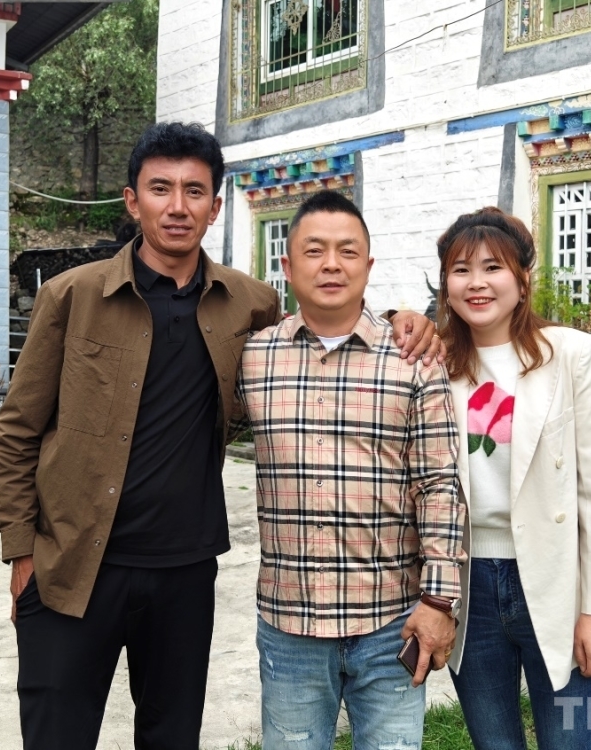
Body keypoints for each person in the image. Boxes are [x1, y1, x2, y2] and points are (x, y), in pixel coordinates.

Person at [0, 122, 443, 750]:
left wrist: (399, 319)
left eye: (194, 191)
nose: (178, 206)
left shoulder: (248, 303)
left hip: (184, 573)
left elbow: (319, 329)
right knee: (56, 737)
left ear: (215, 206)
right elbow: (16, 433)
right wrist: (21, 552)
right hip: (73, 565)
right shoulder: (72, 296)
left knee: (172, 737)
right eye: (161, 189)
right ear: (132, 200)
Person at [233, 190, 467, 750]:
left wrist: (438, 602)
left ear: (368, 264)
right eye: (314, 251)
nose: (331, 265)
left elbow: (439, 485)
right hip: (289, 625)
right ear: (287, 265)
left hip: (391, 622)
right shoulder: (253, 357)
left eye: (347, 251)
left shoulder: (413, 359)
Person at [436, 207, 591, 750]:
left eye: (492, 267)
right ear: (445, 285)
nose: (476, 283)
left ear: (521, 281)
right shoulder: (435, 362)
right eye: (461, 270)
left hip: (557, 577)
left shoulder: (570, 353)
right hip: (471, 585)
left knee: (569, 741)